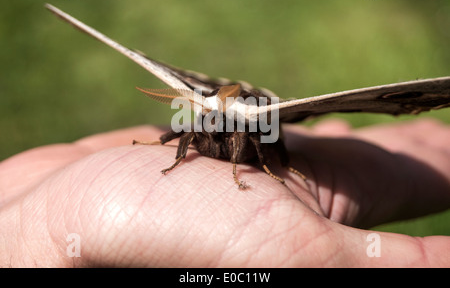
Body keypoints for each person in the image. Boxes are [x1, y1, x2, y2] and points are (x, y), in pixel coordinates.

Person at [0, 118, 449, 267]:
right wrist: (170, 156)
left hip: (258, 152)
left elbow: (259, 137)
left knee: (261, 134)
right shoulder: (201, 129)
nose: (209, 134)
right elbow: (189, 129)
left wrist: (268, 166)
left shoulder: (244, 134)